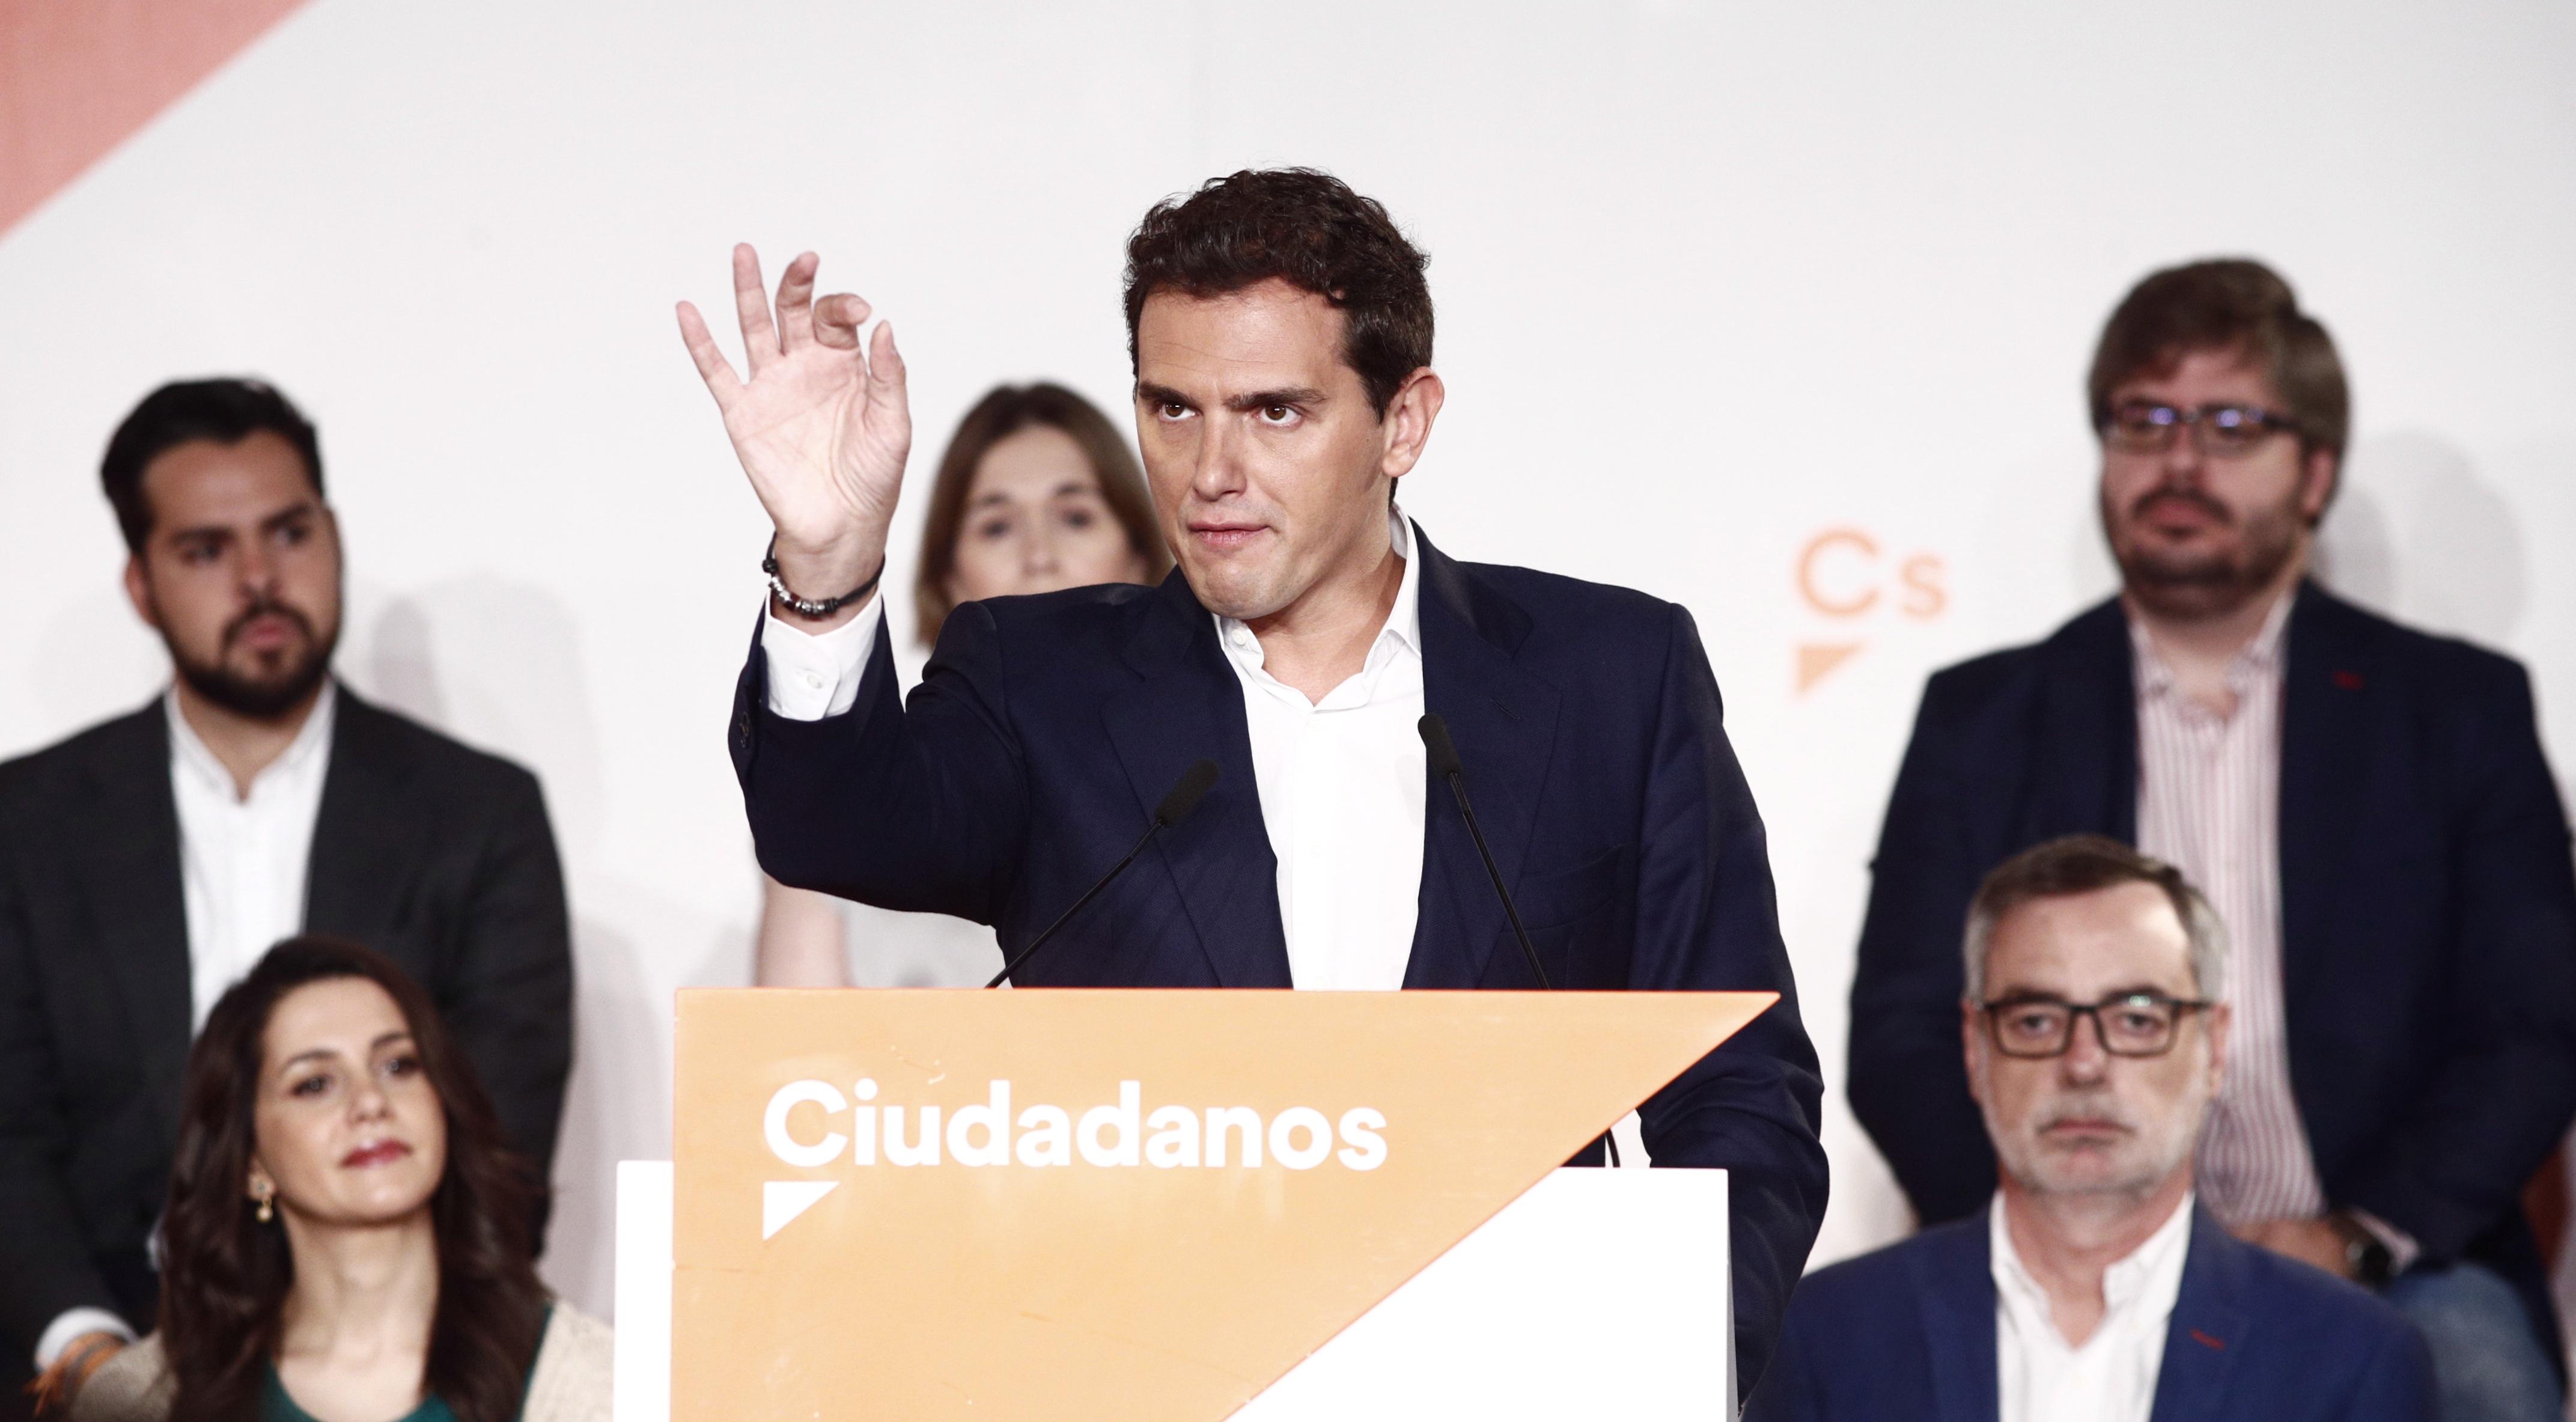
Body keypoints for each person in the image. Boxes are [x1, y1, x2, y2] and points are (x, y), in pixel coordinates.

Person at [677, 167, 1828, 1395]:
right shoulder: (1042, 679)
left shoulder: (1609, 677)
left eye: (1274, 412)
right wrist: (828, 566)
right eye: (1172, 410)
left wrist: (1675, 1360)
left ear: (1404, 422)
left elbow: (1741, 1083)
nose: (1210, 469)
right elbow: (832, 829)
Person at [1847, 260, 2576, 1417]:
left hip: (2384, 1255)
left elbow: (2532, 1029)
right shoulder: (1986, 715)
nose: (2179, 461)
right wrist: (2057, 1227)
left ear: (2315, 470)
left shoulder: (2452, 710)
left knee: (2478, 1384)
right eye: (2146, 419)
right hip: (2056, 1235)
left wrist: (2357, 1240)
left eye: (2229, 424)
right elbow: (1901, 1030)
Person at [0, 380, 574, 1414]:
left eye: (288, 532)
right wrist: (94, 1363)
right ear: (140, 582)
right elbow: (6, 1128)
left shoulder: (478, 813)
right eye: (207, 550)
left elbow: (499, 1138)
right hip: (92, 1359)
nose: (261, 578)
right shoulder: (27, 822)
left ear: (334, 534)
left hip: (407, 1365)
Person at [1753, 836, 2431, 1422]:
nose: (2084, 1064)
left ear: (2215, 1047)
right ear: (1974, 1047)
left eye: (2137, 1019)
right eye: (2036, 1020)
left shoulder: (2351, 1358)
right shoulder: (1827, 1337)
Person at [63, 936, 609, 1422]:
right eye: (316, 1084)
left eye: (399, 1066)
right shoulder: (140, 1399)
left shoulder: (599, 1382)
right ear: (251, 1158)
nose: (371, 1102)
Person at [754, 382, 1170, 989]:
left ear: (1141, 557)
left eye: (1076, 517)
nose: (1039, 554)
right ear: (947, 578)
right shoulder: (860, 807)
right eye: (997, 526)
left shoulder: (1208, 776)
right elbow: (792, 1067)